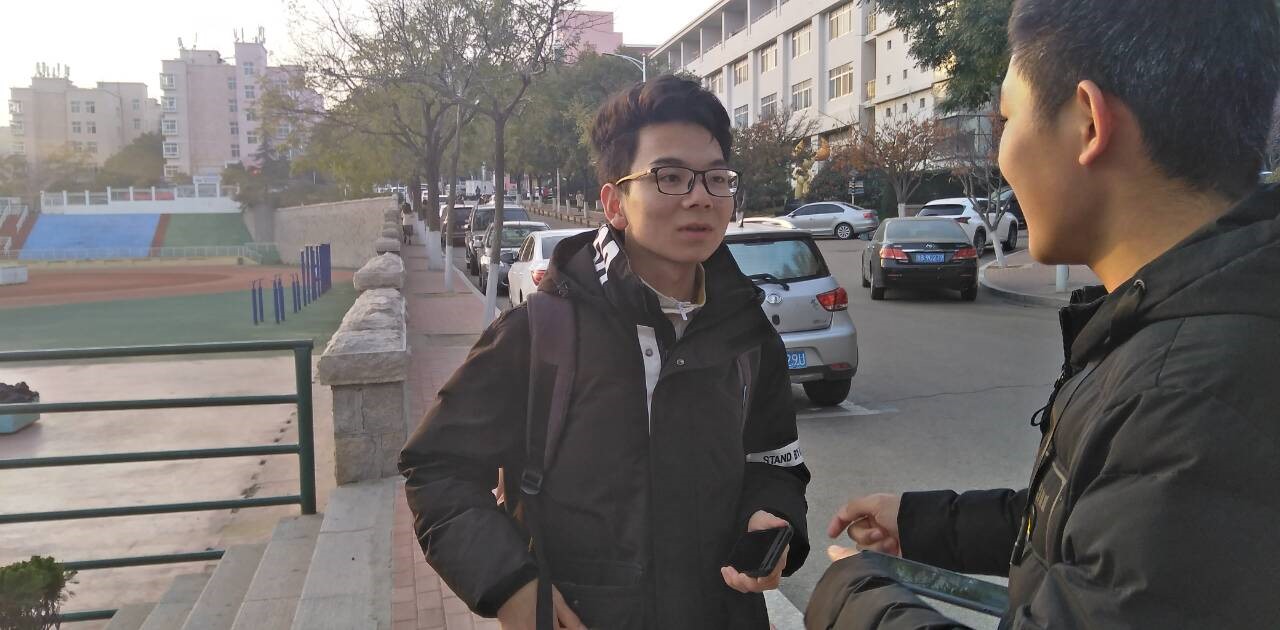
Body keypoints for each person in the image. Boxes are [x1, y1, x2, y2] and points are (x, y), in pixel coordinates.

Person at [807, 0, 1280, 627]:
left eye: (1007, 119)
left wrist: (851, 599)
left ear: (1087, 123)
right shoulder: (1190, 322)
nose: (1002, 154)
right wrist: (929, 525)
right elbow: (1112, 533)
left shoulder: (1191, 394)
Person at [400, 75, 810, 630]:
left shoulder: (747, 335)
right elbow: (436, 469)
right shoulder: (540, 334)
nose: (700, 197)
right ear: (615, 203)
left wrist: (773, 517)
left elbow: (777, 463)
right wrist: (510, 586)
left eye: (717, 178)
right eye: (669, 177)